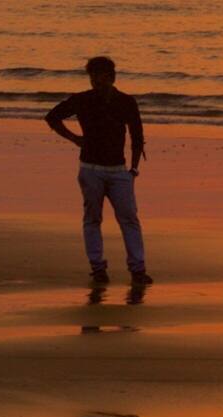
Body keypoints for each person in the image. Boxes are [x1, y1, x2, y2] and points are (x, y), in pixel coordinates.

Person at [45, 56, 153, 285]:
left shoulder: (126, 101)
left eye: (99, 75)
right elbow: (52, 117)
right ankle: (98, 268)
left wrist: (133, 169)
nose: (95, 80)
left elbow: (137, 136)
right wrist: (74, 138)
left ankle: (138, 268)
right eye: (92, 75)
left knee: (129, 219)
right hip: (90, 168)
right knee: (93, 218)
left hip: (118, 169)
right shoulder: (82, 99)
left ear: (111, 76)